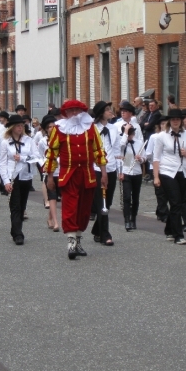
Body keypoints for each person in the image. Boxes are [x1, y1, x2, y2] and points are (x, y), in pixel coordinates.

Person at [45, 100, 107, 259]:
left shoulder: (90, 127)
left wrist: (104, 172)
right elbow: (52, 153)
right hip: (69, 175)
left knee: (84, 209)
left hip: (87, 174)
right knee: (70, 207)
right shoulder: (59, 129)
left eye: (77, 111)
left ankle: (78, 240)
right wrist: (50, 176)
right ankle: (71, 243)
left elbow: (98, 150)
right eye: (71, 111)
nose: (74, 114)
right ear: (65, 113)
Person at [152, 109, 186, 245]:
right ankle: (178, 234)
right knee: (175, 202)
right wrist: (156, 177)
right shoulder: (162, 136)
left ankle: (169, 229)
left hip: (183, 171)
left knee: (181, 202)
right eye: (173, 119)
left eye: (178, 119)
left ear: (181, 120)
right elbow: (156, 158)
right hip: (167, 171)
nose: (175, 121)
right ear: (170, 121)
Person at [0, 115, 37, 245]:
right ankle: (18, 234)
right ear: (12, 128)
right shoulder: (5, 142)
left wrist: (21, 158)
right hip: (12, 176)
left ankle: (15, 229)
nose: (20, 128)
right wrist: (6, 181)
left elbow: (35, 158)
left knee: (22, 205)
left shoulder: (29, 140)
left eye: (22, 125)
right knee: (15, 205)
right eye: (18, 126)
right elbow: (3, 163)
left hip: (25, 176)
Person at [90, 101, 120, 245]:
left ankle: (97, 230)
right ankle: (105, 234)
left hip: (111, 167)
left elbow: (116, 149)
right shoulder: (92, 128)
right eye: (108, 110)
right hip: (97, 168)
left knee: (107, 202)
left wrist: (119, 168)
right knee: (100, 200)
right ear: (101, 112)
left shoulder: (113, 128)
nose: (111, 112)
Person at [120, 125, 146, 231]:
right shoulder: (122, 144)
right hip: (126, 172)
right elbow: (120, 149)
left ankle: (133, 219)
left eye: (132, 133)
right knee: (126, 197)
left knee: (135, 197)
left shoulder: (139, 143)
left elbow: (145, 158)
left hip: (137, 172)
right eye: (129, 133)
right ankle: (126, 220)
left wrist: (140, 159)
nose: (132, 135)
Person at [38, 114, 60, 231]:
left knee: (57, 197)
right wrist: (44, 165)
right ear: (46, 129)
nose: (52, 128)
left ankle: (50, 218)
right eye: (50, 127)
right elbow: (39, 155)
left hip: (61, 171)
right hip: (49, 171)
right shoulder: (42, 141)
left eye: (54, 126)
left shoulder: (61, 140)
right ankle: (56, 222)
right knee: (52, 196)